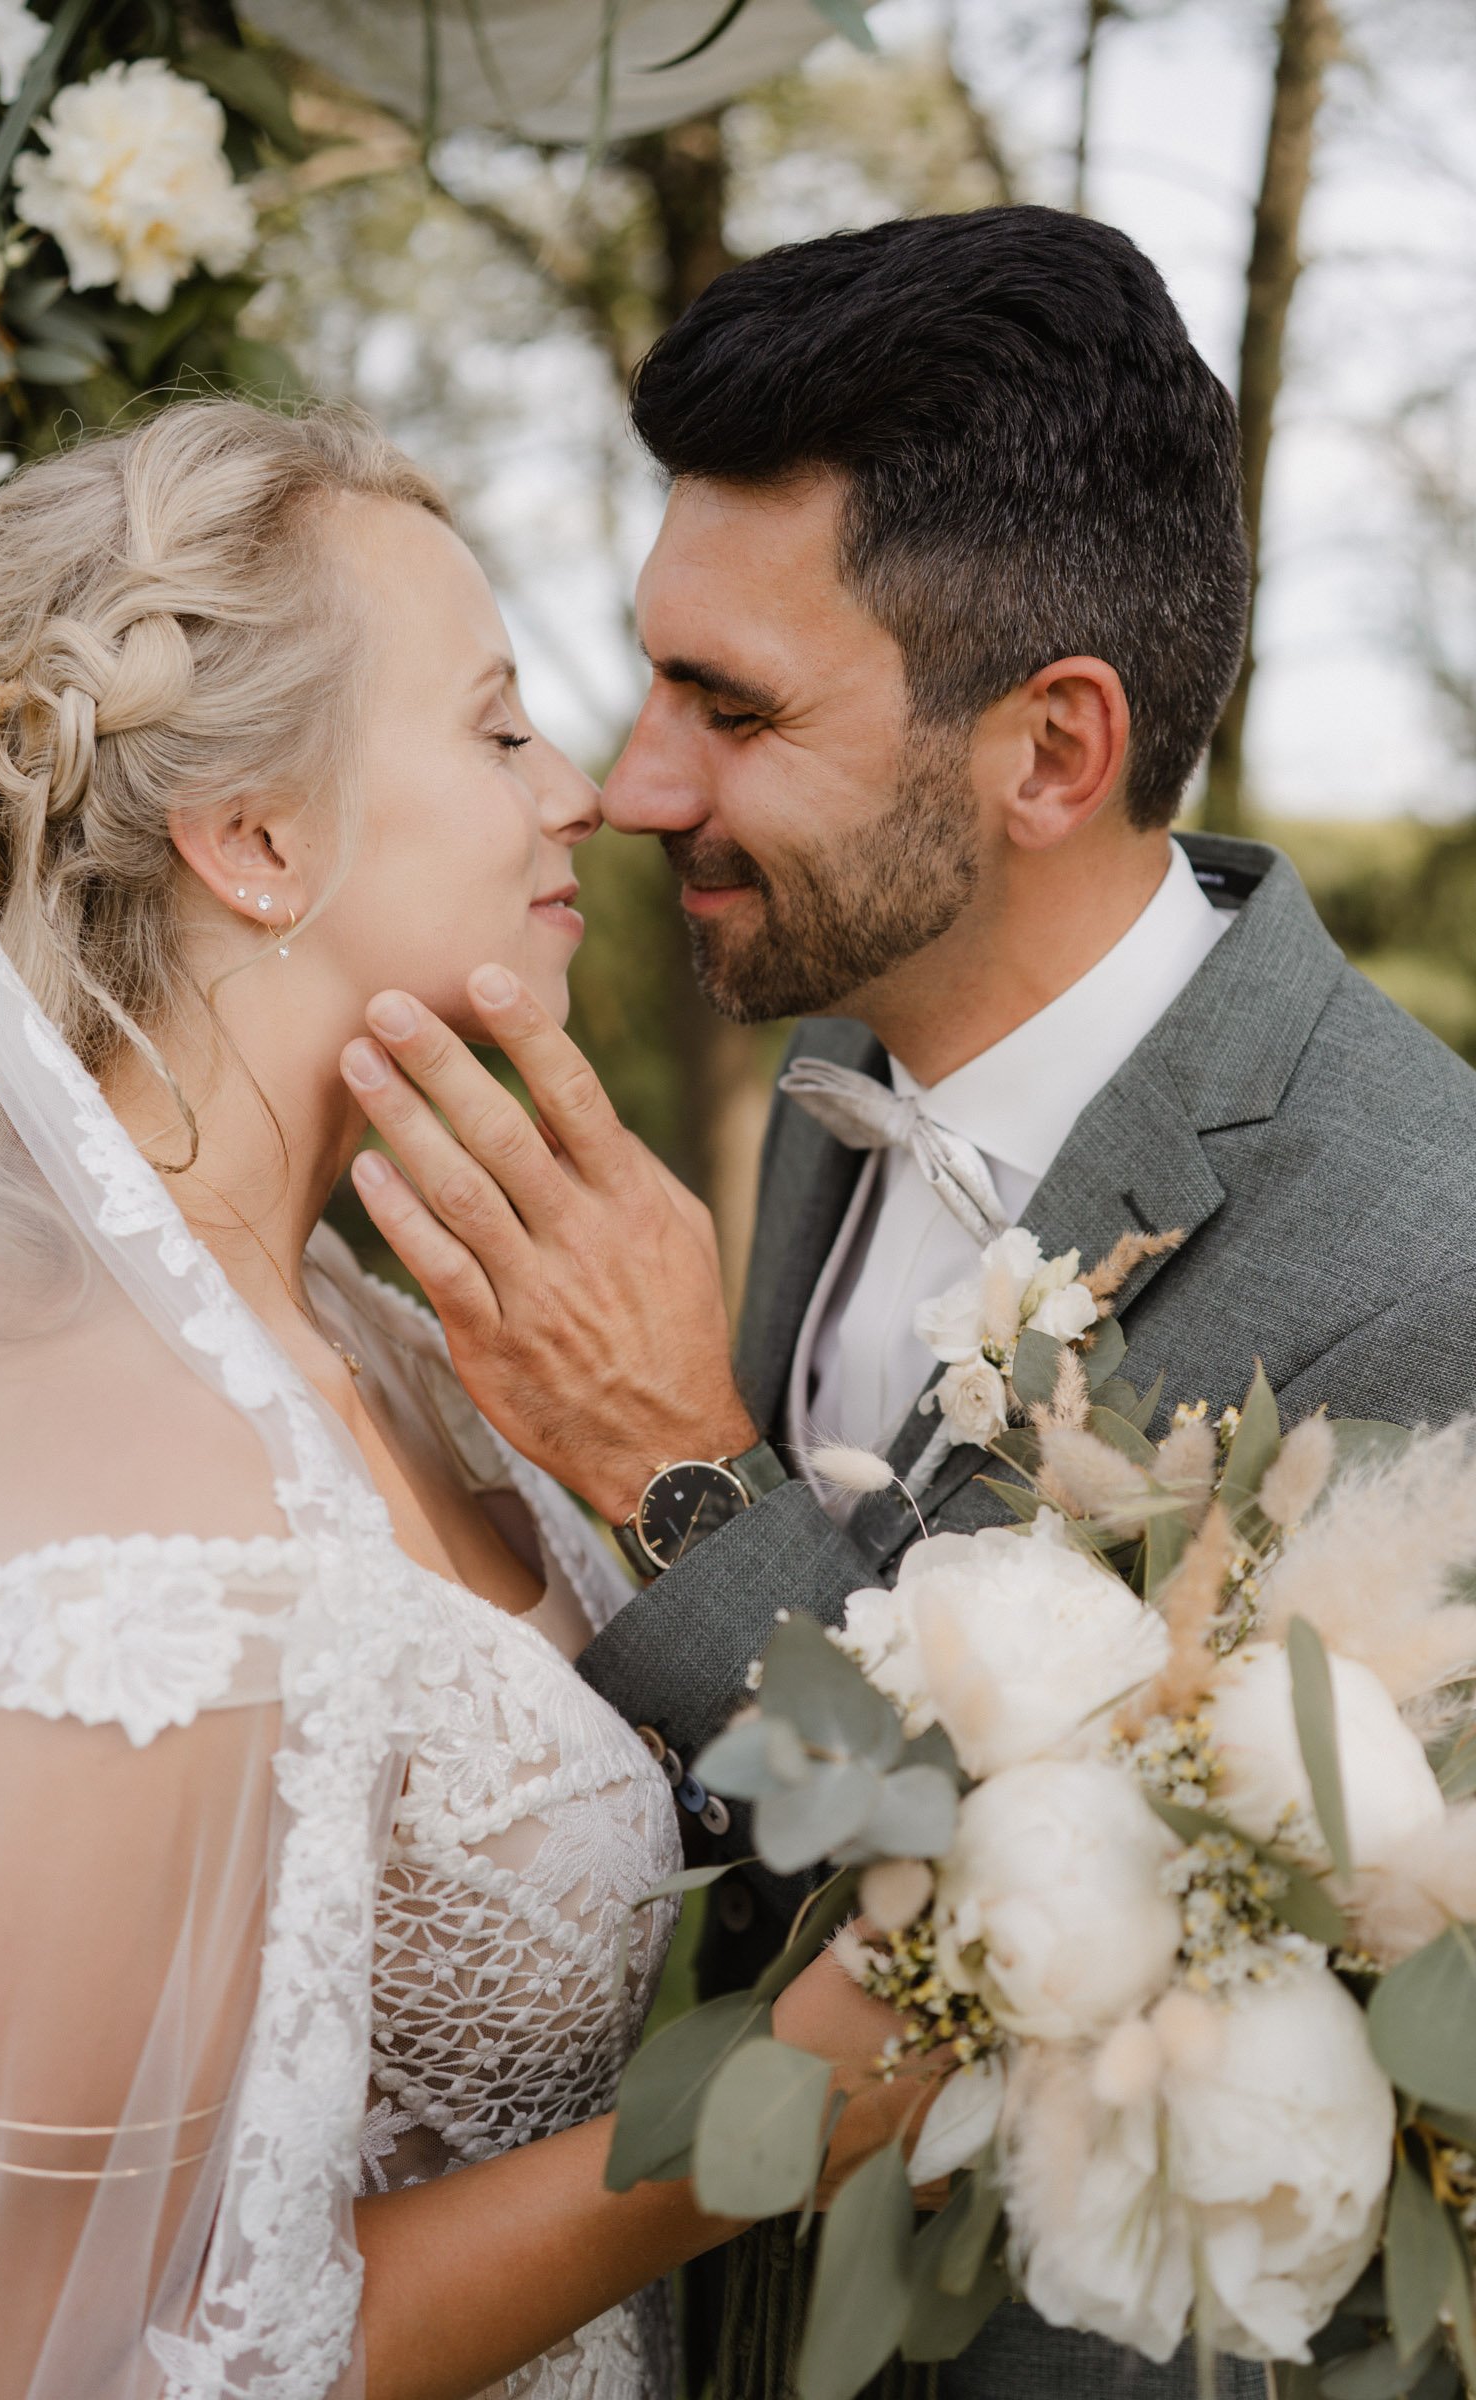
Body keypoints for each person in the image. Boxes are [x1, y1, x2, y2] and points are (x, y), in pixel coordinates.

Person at [341, 207, 1476, 2400]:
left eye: (733, 708)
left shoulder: (1428, 1274)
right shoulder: (842, 1059)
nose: (630, 786)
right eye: (652, 676)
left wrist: (682, 1478)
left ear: (1050, 752)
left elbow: (1191, 2049)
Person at [0, 399, 930, 2400]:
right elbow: (27, 2366)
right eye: (497, 728)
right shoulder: (128, 1513)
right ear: (257, 840)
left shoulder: (365, 1319)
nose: (584, 798)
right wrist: (756, 2118)